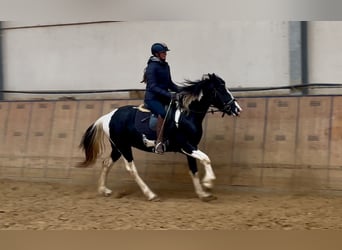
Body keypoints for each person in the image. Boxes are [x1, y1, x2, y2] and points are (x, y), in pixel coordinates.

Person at [142, 42, 179, 154]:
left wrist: (182, 90)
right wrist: (169, 95)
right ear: (156, 54)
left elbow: (170, 84)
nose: (165, 54)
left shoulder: (166, 66)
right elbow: (153, 87)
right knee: (162, 113)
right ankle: (158, 143)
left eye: (165, 52)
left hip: (163, 97)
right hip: (152, 98)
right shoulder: (151, 67)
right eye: (163, 52)